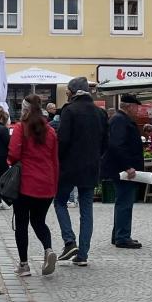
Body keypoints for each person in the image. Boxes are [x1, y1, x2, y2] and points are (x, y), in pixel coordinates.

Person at [54, 77, 109, 266]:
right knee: (87, 210)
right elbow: (105, 143)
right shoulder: (100, 113)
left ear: (73, 91)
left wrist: (58, 161)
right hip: (91, 167)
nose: (67, 93)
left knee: (60, 201)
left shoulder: (69, 111)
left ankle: (69, 241)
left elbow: (63, 141)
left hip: (69, 166)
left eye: (68, 90)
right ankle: (83, 255)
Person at [7, 94, 59, 277]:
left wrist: (12, 161)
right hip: (46, 185)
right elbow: (55, 160)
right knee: (39, 221)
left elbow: (13, 154)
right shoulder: (51, 131)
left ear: (25, 109)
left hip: (25, 184)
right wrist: (54, 184)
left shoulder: (21, 128)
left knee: (21, 223)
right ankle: (48, 249)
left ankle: (24, 265)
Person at [101, 94, 146, 250]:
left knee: (123, 201)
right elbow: (116, 145)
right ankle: (122, 237)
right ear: (130, 106)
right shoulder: (120, 120)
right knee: (125, 202)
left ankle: (118, 235)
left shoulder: (120, 119)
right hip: (123, 169)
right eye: (136, 107)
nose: (138, 110)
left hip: (121, 168)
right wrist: (127, 166)